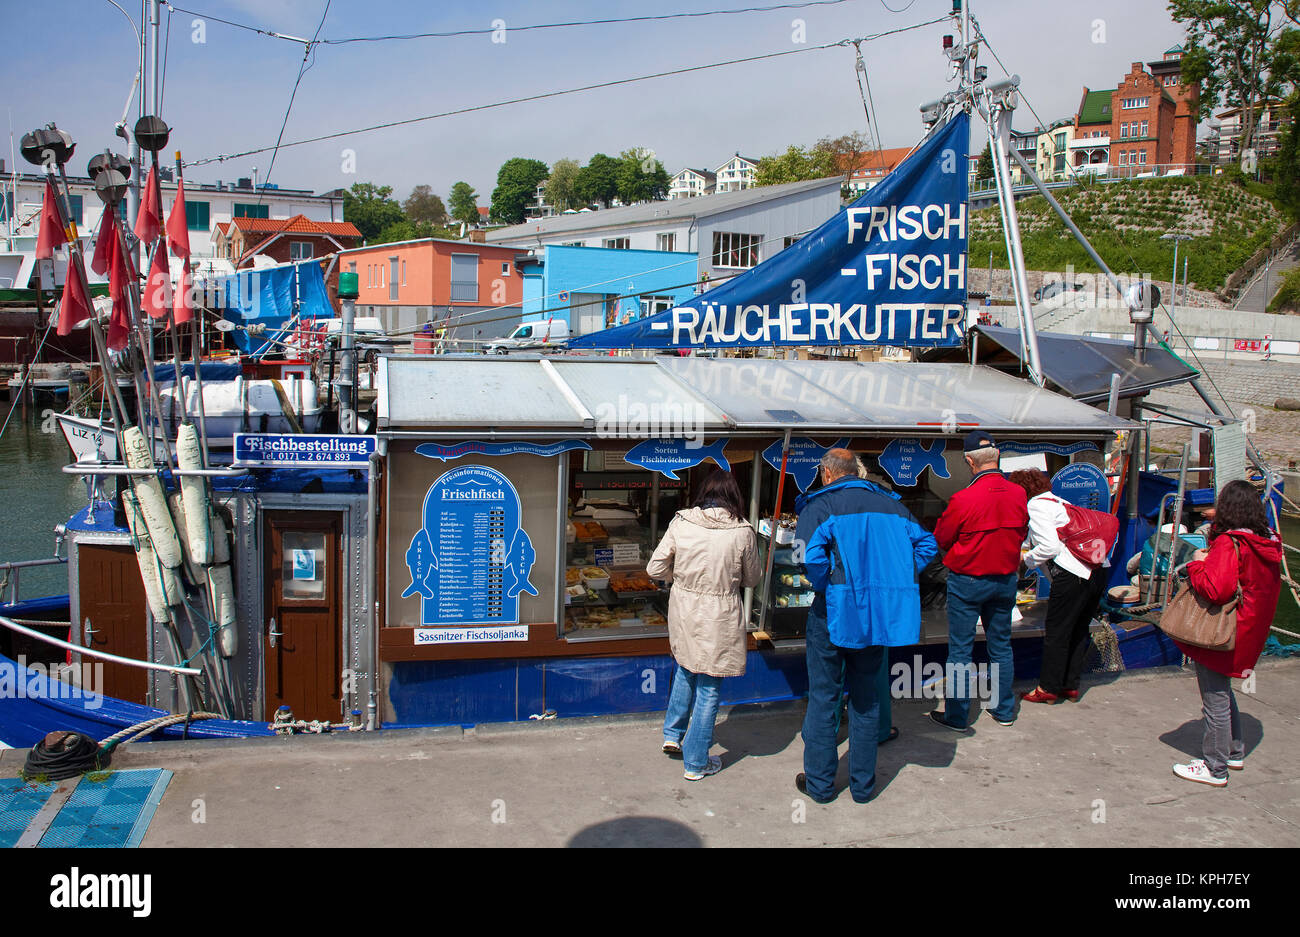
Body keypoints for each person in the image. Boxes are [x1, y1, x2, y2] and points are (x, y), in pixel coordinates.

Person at [794, 448, 937, 804]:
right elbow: (927, 545)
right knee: (866, 698)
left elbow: (807, 559)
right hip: (876, 615)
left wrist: (832, 583)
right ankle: (862, 786)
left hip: (833, 614)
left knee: (825, 698)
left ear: (827, 474)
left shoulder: (821, 505)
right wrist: (894, 578)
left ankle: (821, 786)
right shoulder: (892, 505)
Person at [647, 469, 760, 781]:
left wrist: (680, 577)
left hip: (684, 607)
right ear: (733, 495)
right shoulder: (742, 531)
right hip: (721, 612)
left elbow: (655, 567)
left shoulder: (682, 522)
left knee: (686, 667)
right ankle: (696, 762)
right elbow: (753, 578)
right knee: (710, 685)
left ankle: (673, 734)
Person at [1170, 479, 1282, 786]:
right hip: (1249, 628)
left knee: (1214, 697)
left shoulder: (1230, 542)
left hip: (1222, 631)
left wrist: (1196, 564)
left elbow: (1215, 589)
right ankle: (1234, 750)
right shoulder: (1268, 540)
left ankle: (1214, 766)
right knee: (1222, 690)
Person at [930, 432, 1028, 731]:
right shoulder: (1018, 494)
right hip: (1005, 579)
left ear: (970, 461)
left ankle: (957, 716)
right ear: (997, 458)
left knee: (960, 650)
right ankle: (1004, 710)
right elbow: (1022, 532)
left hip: (968, 580)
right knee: (1001, 646)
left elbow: (942, 538)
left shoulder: (964, 498)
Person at [1007, 469, 1109, 704]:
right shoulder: (1060, 502)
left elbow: (1050, 547)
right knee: (1077, 630)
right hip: (1098, 569)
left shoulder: (1036, 505)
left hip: (1074, 574)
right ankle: (1070, 685)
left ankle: (1048, 688)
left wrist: (1025, 561)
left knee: (1057, 632)